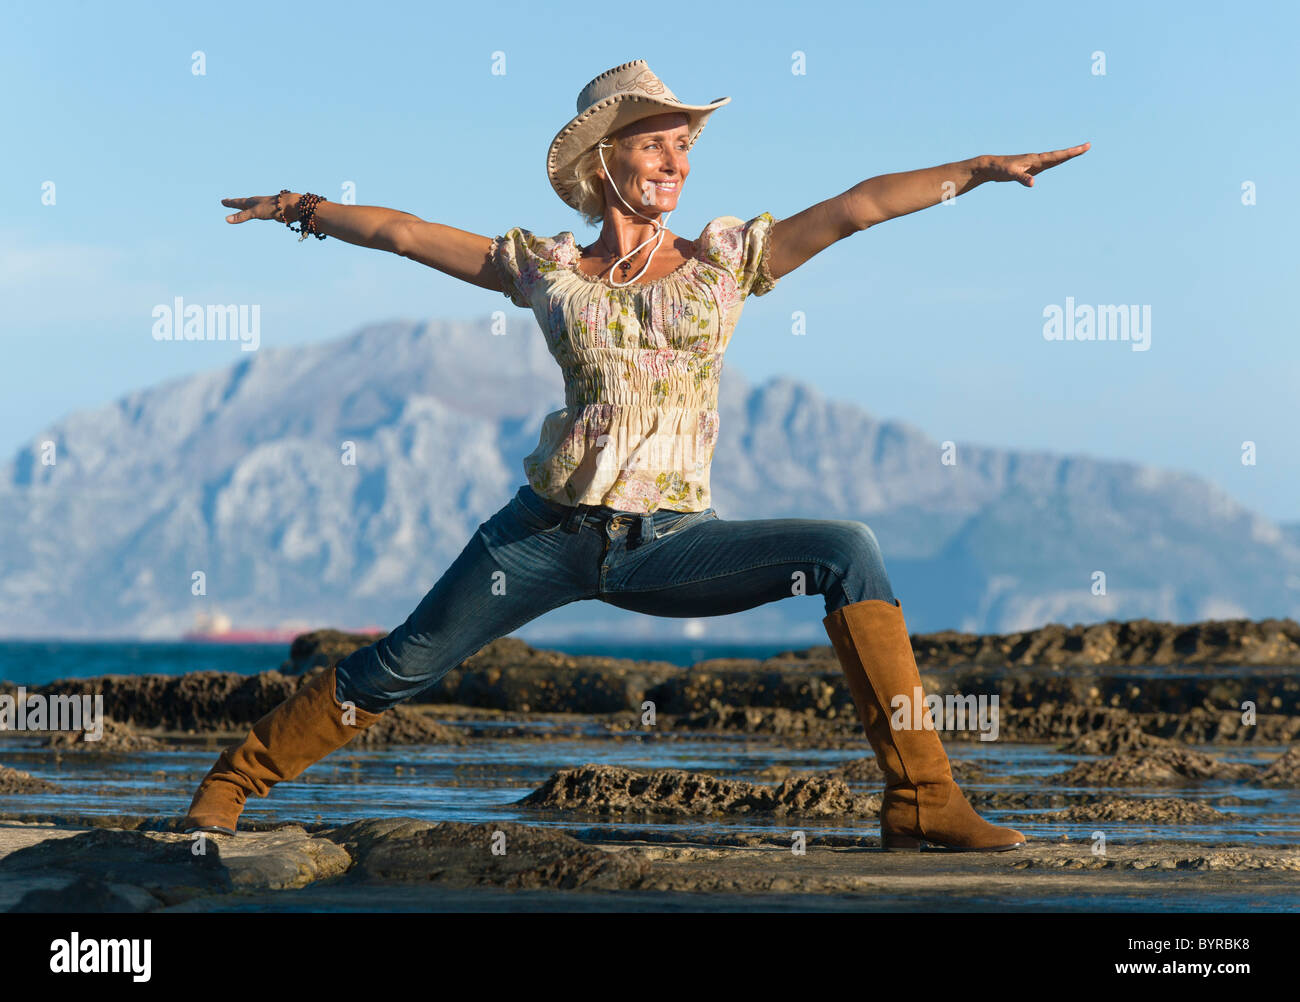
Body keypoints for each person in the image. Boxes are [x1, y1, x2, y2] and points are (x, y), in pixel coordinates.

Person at [184, 59, 1089, 851]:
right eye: (656, 145)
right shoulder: (547, 268)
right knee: (403, 664)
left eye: (684, 148)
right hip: (541, 537)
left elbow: (855, 208)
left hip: (669, 544)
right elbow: (406, 233)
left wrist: (973, 172)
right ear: (602, 160)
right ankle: (229, 786)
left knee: (846, 548)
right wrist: (300, 208)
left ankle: (924, 799)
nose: (676, 164)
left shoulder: (727, 261)